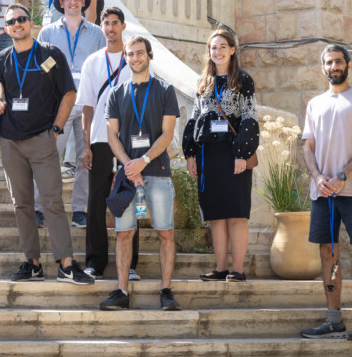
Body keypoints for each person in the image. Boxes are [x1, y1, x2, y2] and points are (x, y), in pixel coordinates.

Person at [0, 4, 94, 286]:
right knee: (22, 205)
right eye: (11, 21)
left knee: (52, 202)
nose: (17, 24)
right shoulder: (2, 58)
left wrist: (56, 129)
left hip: (42, 139)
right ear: (6, 29)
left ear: (30, 23)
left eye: (22, 19)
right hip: (10, 142)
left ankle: (66, 266)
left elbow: (69, 93)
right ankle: (33, 264)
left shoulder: (50, 54)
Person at [299, 45, 352, 341]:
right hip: (323, 194)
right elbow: (308, 147)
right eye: (329, 62)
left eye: (338, 61)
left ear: (349, 65)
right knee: (327, 252)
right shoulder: (315, 104)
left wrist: (343, 175)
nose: (334, 66)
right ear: (323, 68)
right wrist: (318, 177)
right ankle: (334, 321)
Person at [100, 36, 181, 311]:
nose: (135, 58)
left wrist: (143, 161)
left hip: (157, 171)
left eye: (140, 53)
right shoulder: (116, 93)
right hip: (127, 176)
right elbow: (111, 135)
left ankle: (166, 291)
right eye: (130, 54)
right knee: (124, 234)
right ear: (125, 58)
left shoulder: (165, 90)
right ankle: (122, 291)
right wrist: (128, 165)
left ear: (149, 54)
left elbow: (167, 134)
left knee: (166, 232)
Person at [181, 28, 259, 286]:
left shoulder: (243, 80)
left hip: (233, 152)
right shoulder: (203, 82)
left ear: (232, 50)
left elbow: (249, 117)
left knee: (236, 212)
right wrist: (190, 153)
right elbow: (194, 118)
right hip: (208, 155)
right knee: (216, 214)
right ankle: (220, 268)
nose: (218, 52)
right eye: (213, 48)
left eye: (223, 46)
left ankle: (237, 269)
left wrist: (241, 154)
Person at [76, 6, 138, 280]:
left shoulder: (135, 59)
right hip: (100, 139)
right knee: (96, 202)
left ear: (123, 26)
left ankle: (131, 264)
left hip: (129, 143)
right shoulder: (93, 62)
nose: (111, 28)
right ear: (101, 27)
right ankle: (95, 262)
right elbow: (87, 106)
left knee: (131, 199)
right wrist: (85, 144)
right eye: (106, 23)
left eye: (115, 23)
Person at [37, 0, 105, 228]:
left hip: (88, 103)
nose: (73, 2)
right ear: (61, 3)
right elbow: (40, 66)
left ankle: (79, 210)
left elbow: (102, 67)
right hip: (59, 103)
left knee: (85, 158)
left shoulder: (97, 33)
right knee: (49, 157)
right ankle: (40, 208)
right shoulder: (47, 33)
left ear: (84, 2)